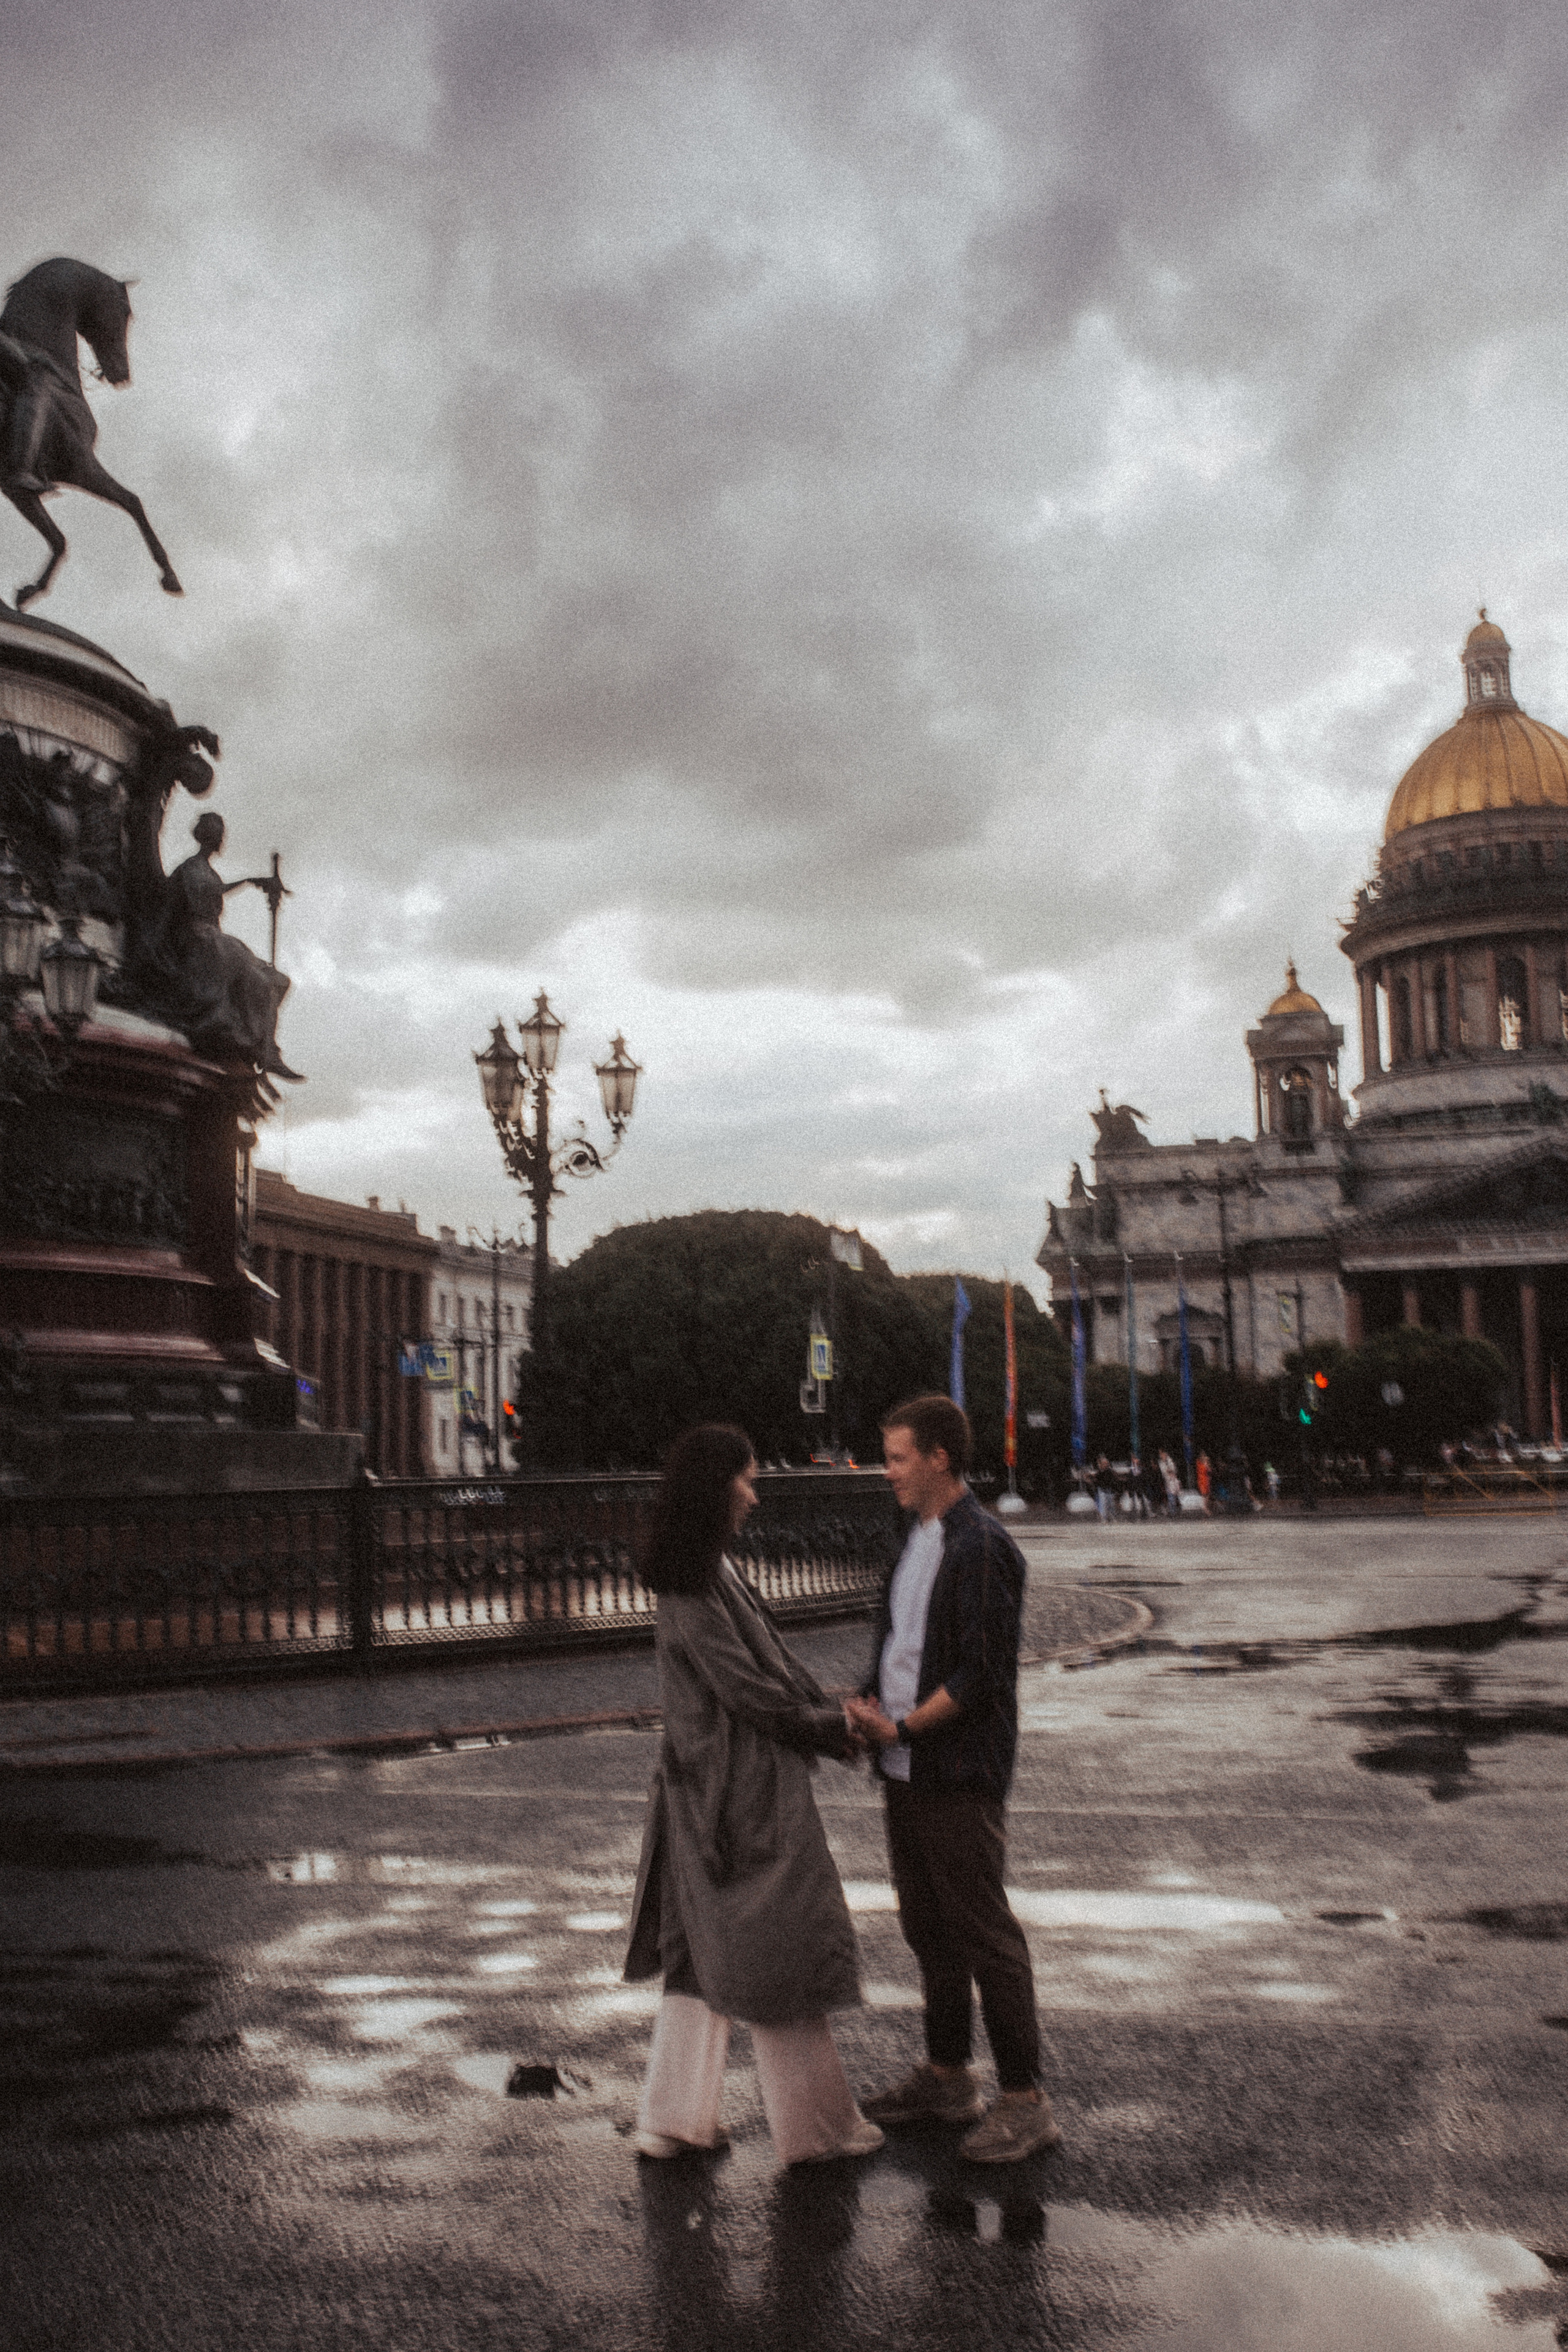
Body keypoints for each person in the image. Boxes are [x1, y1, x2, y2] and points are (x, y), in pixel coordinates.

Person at [623, 1423, 883, 2166]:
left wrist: (835, 1715)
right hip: (734, 1792)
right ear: (716, 1487)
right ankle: (816, 2132)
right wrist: (833, 1727)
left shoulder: (702, 1570)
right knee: (780, 1944)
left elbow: (767, 1678)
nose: (754, 1491)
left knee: (698, 1956)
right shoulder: (698, 1584)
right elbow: (749, 1693)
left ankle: (672, 2122)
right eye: (747, 1477)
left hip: (703, 1790)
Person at [846, 1395, 1062, 2165]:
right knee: (928, 1928)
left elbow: (980, 1678)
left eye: (899, 1457)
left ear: (939, 1457)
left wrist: (902, 1728)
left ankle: (1024, 2099)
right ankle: (946, 2077)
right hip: (906, 1766)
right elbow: (902, 1645)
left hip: (956, 1770)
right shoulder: (918, 1537)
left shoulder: (981, 1545)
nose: (889, 1472)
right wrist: (869, 1701)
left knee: (984, 1931)